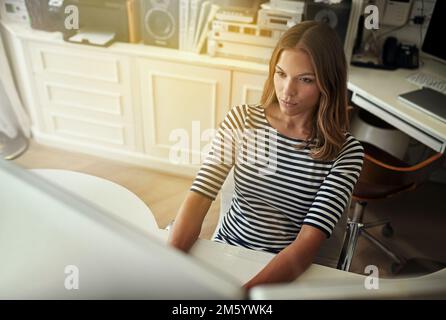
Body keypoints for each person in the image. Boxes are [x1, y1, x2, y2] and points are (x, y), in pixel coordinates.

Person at [168, 21, 364, 289]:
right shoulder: (241, 120)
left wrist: (241, 295)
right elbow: (199, 197)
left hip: (282, 272)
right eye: (281, 74)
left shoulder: (347, 153)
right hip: (226, 252)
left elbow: (307, 244)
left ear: (327, 83)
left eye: (305, 80)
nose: (287, 91)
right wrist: (167, 263)